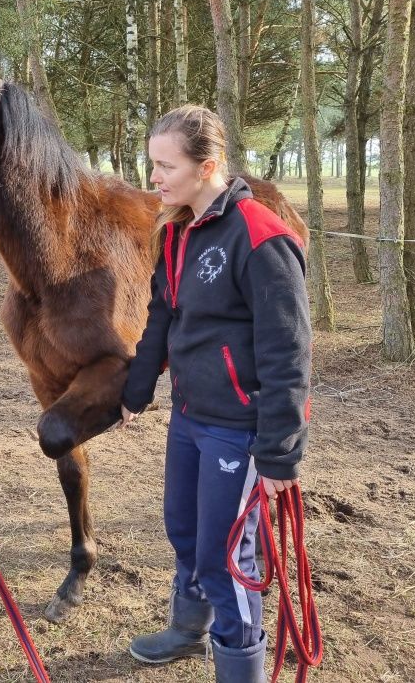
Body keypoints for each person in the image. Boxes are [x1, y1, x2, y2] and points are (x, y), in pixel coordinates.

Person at [120, 105, 311, 682]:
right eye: (151, 164)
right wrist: (136, 388)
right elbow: (162, 315)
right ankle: (187, 630)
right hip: (190, 417)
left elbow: (289, 352)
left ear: (207, 167)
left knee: (225, 559)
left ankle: (240, 667)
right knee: (183, 529)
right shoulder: (177, 230)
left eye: (164, 166)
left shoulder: (260, 236)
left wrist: (279, 451)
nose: (153, 178)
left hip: (240, 428)